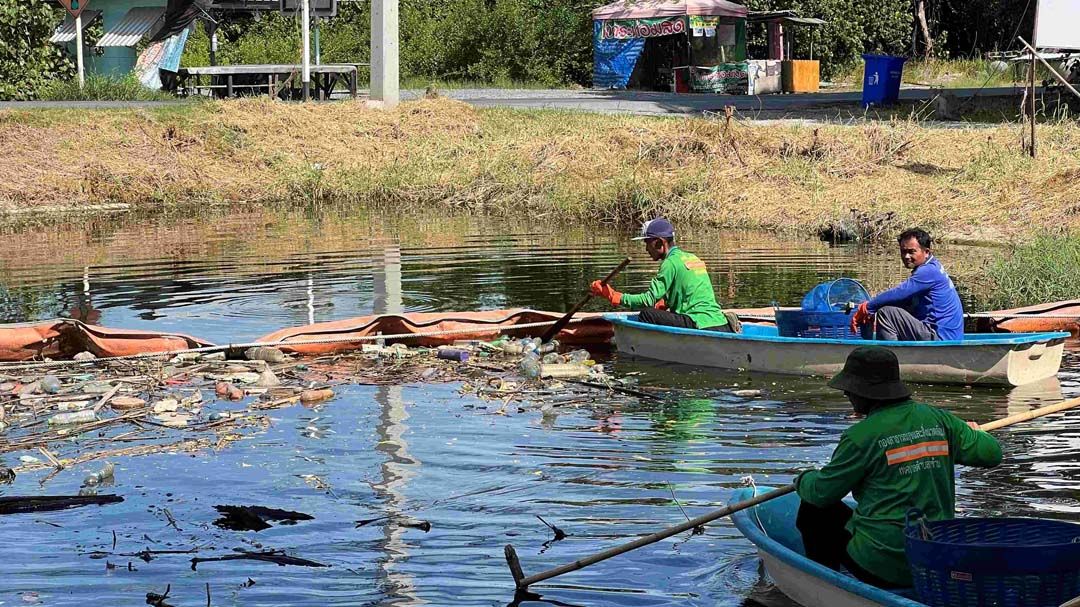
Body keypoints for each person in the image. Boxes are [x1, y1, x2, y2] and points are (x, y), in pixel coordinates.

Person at [795, 346, 1001, 588]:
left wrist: (803, 479)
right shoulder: (939, 420)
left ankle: (825, 587)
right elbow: (992, 453)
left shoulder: (859, 436)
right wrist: (973, 433)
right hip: (932, 556)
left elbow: (821, 493)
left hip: (883, 565)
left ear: (865, 392)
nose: (847, 395)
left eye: (850, 389)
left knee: (812, 509)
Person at [590, 218, 735, 332]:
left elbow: (647, 300)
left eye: (647, 243)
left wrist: (613, 295)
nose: (646, 249)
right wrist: (665, 302)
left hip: (696, 322)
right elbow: (689, 292)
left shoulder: (669, 263)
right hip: (720, 322)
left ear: (659, 243)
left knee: (647, 314)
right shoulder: (692, 258)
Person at [851, 228, 963, 341]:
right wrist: (874, 309)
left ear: (926, 252)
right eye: (903, 251)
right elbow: (904, 300)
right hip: (944, 334)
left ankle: (890, 355)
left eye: (911, 251)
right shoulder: (933, 266)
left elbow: (899, 293)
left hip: (940, 337)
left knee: (886, 313)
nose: (906, 256)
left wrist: (868, 307)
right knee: (890, 308)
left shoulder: (928, 271)